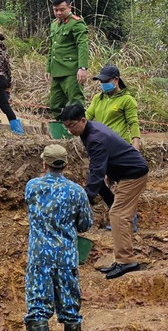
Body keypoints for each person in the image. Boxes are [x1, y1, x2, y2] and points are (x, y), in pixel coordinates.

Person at [22, 145, 93, 331]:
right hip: (66, 258)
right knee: (70, 309)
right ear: (65, 165)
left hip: (40, 257)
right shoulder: (77, 192)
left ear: (44, 164)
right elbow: (85, 224)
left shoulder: (32, 187)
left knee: (37, 306)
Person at [59, 102, 149, 279]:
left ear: (82, 120)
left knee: (118, 215)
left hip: (133, 174)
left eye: (71, 125)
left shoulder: (95, 138)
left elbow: (98, 169)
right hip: (123, 172)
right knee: (103, 191)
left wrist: (85, 198)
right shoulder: (89, 130)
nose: (69, 130)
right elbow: (99, 166)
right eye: (66, 127)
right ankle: (122, 259)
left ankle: (127, 261)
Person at [48, 0, 90, 118]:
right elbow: (52, 47)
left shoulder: (76, 23)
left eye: (62, 9)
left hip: (71, 70)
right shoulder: (54, 25)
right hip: (57, 70)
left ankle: (80, 130)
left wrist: (83, 68)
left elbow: (82, 46)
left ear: (69, 7)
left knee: (75, 102)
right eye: (55, 10)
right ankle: (62, 130)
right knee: (55, 105)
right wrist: (48, 68)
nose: (58, 13)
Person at [85, 64, 141, 152]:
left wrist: (136, 144)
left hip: (119, 144)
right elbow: (88, 115)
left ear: (116, 80)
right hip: (101, 143)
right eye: (101, 81)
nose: (103, 84)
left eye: (106, 81)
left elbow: (133, 122)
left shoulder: (127, 100)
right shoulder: (98, 98)